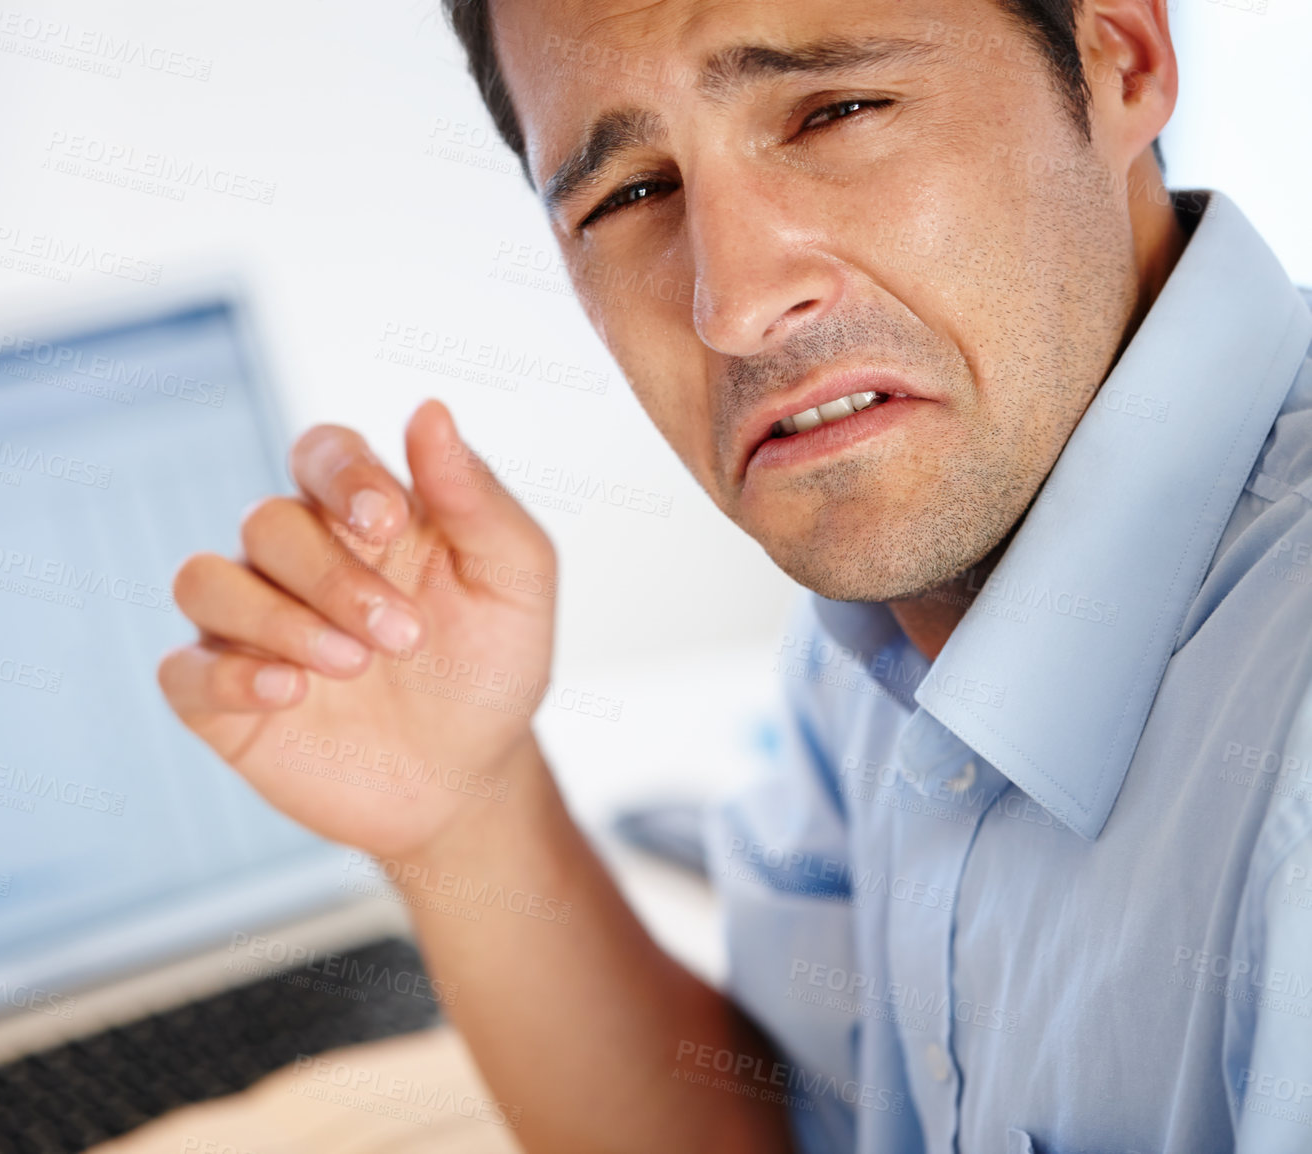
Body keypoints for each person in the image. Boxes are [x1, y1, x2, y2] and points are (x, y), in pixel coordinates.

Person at [158, 0, 1312, 1149]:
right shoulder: (883, 613)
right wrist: (463, 812)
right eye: (629, 195)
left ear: (1120, 56)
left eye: (835, 111)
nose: (735, 305)